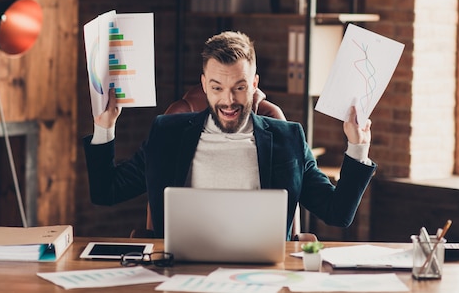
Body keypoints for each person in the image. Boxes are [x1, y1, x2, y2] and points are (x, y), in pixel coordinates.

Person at [83, 31, 376, 239]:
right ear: (203, 83)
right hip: (180, 273)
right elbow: (106, 191)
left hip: (264, 277)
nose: (228, 101)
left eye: (239, 87)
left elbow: (338, 213)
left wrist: (357, 147)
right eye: (216, 88)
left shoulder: (288, 138)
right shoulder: (167, 133)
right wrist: (104, 127)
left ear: (254, 83)